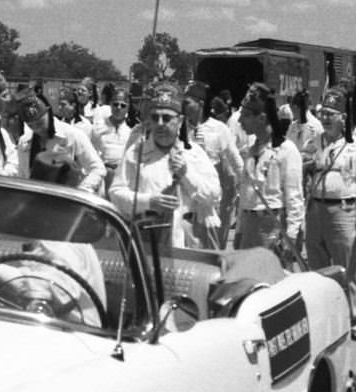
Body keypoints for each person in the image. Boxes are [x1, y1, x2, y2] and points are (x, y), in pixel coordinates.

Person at [303, 86, 356, 340]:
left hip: (343, 211)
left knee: (347, 268)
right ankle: (325, 318)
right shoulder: (313, 144)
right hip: (315, 209)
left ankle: (352, 318)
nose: (325, 118)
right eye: (323, 113)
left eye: (331, 114)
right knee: (318, 268)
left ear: (343, 118)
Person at [108, 82, 219, 248]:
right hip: (147, 240)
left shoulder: (194, 153)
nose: (160, 123)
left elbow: (214, 195)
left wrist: (186, 174)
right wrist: (149, 201)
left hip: (186, 243)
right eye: (155, 117)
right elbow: (116, 193)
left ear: (180, 120)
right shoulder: (135, 153)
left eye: (166, 118)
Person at [233, 84, 304, 259]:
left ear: (262, 118)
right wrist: (240, 231)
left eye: (246, 115)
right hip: (249, 223)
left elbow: (294, 196)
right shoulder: (251, 149)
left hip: (271, 225)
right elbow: (244, 194)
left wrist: (292, 235)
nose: (240, 120)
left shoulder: (286, 150)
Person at [14, 85, 104, 193]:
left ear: (48, 112)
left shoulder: (72, 135)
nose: (37, 129)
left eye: (40, 123)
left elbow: (97, 168)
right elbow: (22, 177)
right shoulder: (25, 142)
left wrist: (82, 191)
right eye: (31, 125)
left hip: (68, 198)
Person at [183, 81, 241, 247]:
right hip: (188, 193)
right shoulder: (180, 128)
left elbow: (236, 161)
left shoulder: (219, 129)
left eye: (188, 103)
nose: (183, 106)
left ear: (200, 103)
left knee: (212, 243)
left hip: (212, 195)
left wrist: (242, 188)